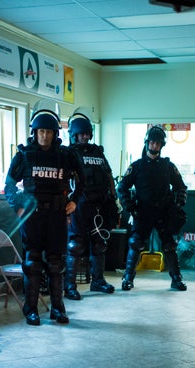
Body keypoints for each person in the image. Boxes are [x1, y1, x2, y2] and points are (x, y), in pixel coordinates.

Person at [4, 105, 85, 325]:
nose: (44, 136)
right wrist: (17, 206)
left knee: (56, 263)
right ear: (34, 132)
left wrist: (75, 201)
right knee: (33, 263)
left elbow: (83, 181)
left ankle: (58, 309)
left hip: (57, 215)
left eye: (49, 132)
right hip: (32, 217)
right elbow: (9, 184)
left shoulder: (66, 155)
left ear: (55, 134)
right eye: (41, 131)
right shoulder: (24, 155)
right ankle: (31, 309)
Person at [117, 125, 188, 292]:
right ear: (147, 143)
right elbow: (122, 187)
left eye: (157, 143)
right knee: (135, 243)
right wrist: (130, 206)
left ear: (161, 145)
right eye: (152, 142)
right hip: (142, 211)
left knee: (169, 244)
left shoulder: (168, 166)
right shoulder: (137, 166)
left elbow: (181, 187)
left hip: (164, 211)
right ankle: (128, 278)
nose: (154, 146)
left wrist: (178, 205)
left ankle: (176, 279)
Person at [63, 110, 119, 300]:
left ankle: (98, 281)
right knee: (75, 245)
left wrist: (113, 197)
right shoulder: (69, 153)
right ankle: (69, 286)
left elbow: (109, 175)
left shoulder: (97, 152)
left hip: (99, 205)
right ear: (74, 134)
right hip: (79, 206)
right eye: (81, 134)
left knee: (99, 244)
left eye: (87, 133)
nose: (85, 137)